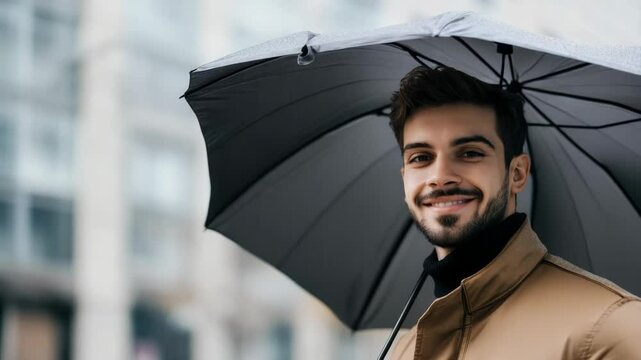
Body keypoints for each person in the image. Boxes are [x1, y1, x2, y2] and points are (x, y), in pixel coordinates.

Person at [387, 66, 641, 360]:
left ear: (517, 173)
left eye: (470, 153)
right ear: (405, 177)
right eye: (421, 158)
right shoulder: (404, 349)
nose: (440, 176)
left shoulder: (611, 330)